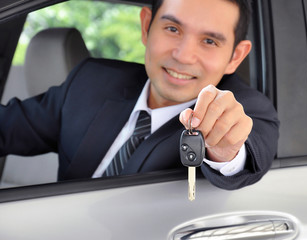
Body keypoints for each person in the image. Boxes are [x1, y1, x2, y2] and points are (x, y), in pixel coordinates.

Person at [0, 0, 279, 190]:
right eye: (172, 29)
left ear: (236, 56)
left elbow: (243, 152)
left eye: (209, 41)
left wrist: (226, 150)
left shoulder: (248, 109)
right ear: (146, 26)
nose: (183, 55)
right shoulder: (90, 81)